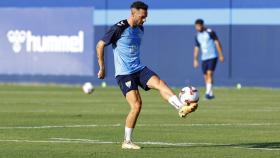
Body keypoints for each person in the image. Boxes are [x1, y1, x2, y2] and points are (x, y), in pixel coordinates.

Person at [96, 1, 197, 149]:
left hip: (139, 69)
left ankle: (181, 107)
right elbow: (100, 45)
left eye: (146, 17)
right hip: (124, 74)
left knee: (161, 84)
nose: (144, 20)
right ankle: (127, 141)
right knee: (136, 105)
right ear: (133, 13)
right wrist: (102, 68)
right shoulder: (118, 28)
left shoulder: (140, 28)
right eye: (142, 16)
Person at [193, 19, 224, 100]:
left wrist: (220, 54)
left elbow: (217, 42)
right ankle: (211, 93)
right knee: (205, 76)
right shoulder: (197, 36)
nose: (197, 28)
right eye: (196, 26)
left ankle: (207, 93)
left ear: (202, 25)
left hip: (212, 56)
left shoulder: (210, 32)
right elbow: (196, 48)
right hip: (204, 58)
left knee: (210, 73)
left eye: (198, 26)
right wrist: (195, 59)